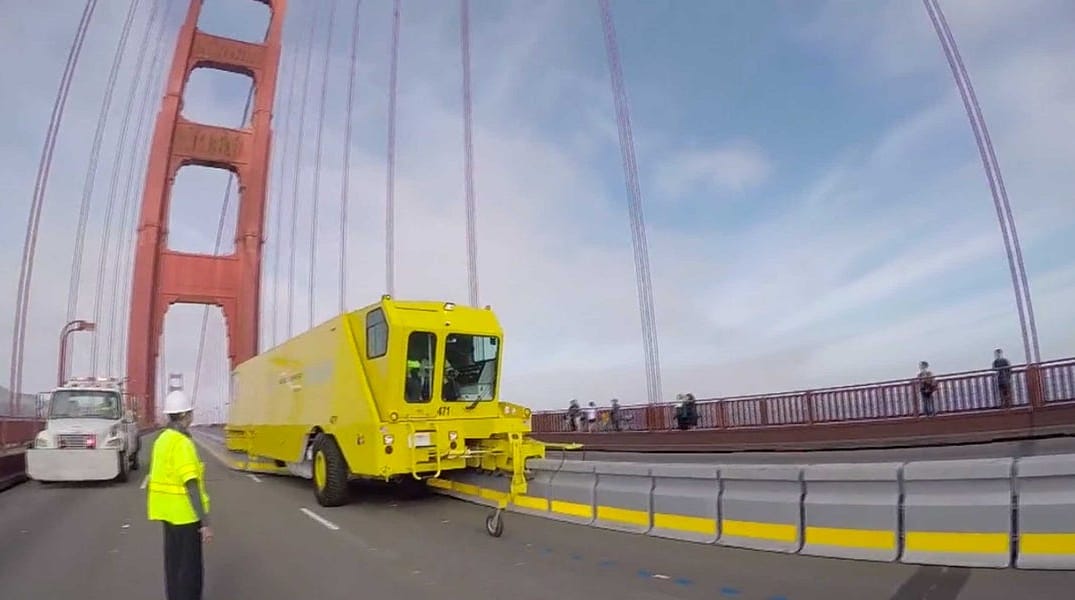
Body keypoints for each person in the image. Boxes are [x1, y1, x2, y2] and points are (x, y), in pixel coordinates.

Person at [147, 390, 213, 600]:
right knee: (190, 571)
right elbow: (191, 485)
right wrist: (205, 523)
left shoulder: (162, 440)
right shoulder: (182, 443)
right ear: (185, 415)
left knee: (173, 567)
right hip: (186, 516)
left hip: (167, 514)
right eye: (190, 412)